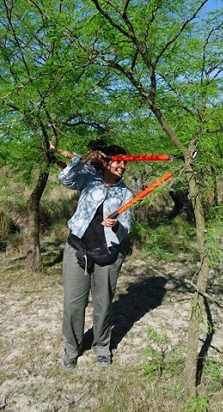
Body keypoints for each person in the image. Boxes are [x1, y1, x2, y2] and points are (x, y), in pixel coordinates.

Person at [58, 144, 134, 368]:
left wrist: (117, 224)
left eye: (125, 162)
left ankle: (102, 347)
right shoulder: (89, 180)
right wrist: (82, 160)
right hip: (77, 249)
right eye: (118, 161)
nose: (122, 165)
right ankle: (72, 348)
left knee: (103, 304)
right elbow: (66, 179)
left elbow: (127, 227)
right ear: (107, 162)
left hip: (108, 254)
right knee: (73, 304)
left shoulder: (126, 193)